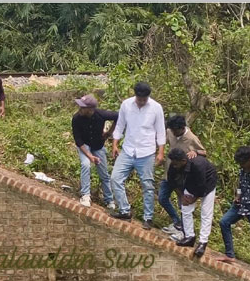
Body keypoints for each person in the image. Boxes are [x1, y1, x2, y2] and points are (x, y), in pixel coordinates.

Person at [109, 81, 166, 227]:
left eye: (144, 99)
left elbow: (160, 131)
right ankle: (124, 211)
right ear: (135, 95)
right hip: (128, 149)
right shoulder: (126, 105)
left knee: (147, 185)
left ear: (148, 97)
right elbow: (120, 125)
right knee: (115, 178)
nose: (141, 102)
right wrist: (115, 144)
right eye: (139, 99)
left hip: (146, 152)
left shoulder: (156, 108)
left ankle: (148, 218)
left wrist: (160, 152)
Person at [159, 114, 208, 238]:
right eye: (172, 130)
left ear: (182, 128)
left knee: (183, 203)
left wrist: (195, 152)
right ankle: (177, 221)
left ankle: (183, 230)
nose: (173, 133)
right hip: (169, 173)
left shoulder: (191, 138)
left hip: (183, 176)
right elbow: (162, 142)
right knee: (162, 198)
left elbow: (204, 152)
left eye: (175, 131)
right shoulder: (169, 131)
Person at [165, 147, 217, 258]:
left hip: (208, 182)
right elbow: (172, 181)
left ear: (183, 161)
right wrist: (182, 195)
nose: (173, 166)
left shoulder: (198, 165)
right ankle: (189, 237)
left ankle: (203, 242)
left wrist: (194, 198)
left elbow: (202, 186)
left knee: (206, 213)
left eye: (175, 164)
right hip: (190, 184)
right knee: (185, 208)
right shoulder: (174, 165)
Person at [70, 94, 119, 208]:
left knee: (104, 173)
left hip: (98, 145)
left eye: (83, 107)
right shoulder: (76, 118)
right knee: (86, 165)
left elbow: (118, 116)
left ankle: (109, 200)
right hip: (84, 145)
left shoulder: (101, 114)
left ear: (91, 109)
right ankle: (85, 195)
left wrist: (109, 133)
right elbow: (78, 141)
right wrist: (89, 156)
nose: (80, 109)